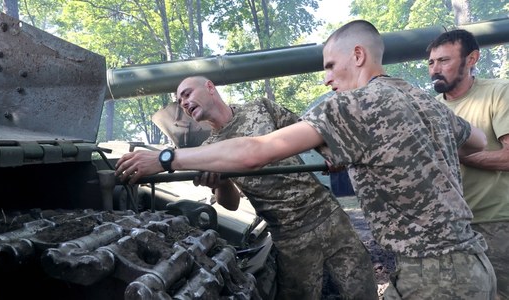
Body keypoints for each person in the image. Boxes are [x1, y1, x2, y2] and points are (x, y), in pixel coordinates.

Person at [116, 20, 496, 299]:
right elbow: (476, 140)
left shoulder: (352, 103)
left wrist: (167, 157)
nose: (327, 78)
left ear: (358, 56)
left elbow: (256, 151)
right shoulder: (424, 101)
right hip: (474, 262)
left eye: (330, 65)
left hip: (432, 275)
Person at [169, 76, 378, 299]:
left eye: (187, 93)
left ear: (210, 87)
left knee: (362, 290)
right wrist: (222, 184)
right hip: (289, 237)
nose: (183, 102)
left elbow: (304, 130)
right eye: (179, 100)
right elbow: (230, 204)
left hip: (329, 216)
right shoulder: (208, 151)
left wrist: (330, 154)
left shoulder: (260, 108)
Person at [427, 29, 509, 299]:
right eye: (431, 62)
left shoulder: (498, 93)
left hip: (495, 221)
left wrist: (455, 153)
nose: (435, 69)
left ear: (472, 59)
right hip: (447, 229)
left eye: (444, 61)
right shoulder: (430, 109)